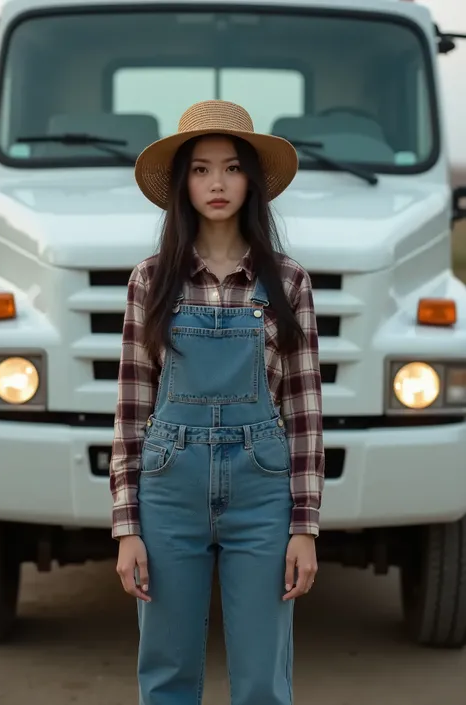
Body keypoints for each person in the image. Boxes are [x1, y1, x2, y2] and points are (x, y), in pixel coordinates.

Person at [109, 99, 325, 705]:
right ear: (183, 185)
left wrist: (304, 526)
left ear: (252, 181)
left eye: (231, 168)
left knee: (262, 678)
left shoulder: (288, 282)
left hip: (262, 491)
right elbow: (131, 410)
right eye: (201, 170)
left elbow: (304, 411)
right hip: (167, 488)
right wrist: (127, 527)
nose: (217, 183)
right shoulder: (150, 281)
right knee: (168, 672)